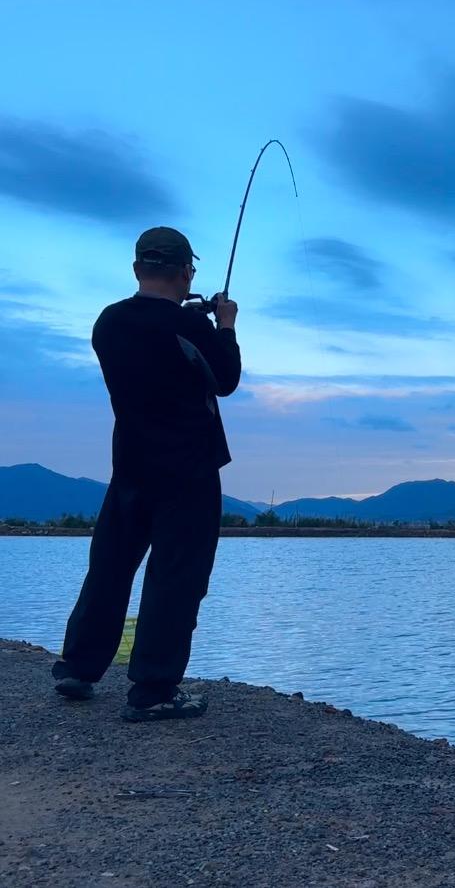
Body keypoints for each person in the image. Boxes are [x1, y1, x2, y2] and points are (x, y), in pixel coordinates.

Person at [51, 226, 241, 722]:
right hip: (189, 471)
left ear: (137, 269)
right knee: (176, 578)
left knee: (111, 568)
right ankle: (153, 689)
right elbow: (225, 379)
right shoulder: (193, 328)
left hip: (130, 465)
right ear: (186, 272)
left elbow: (156, 343)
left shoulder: (108, 323)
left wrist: (189, 318)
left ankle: (78, 668)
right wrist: (224, 323)